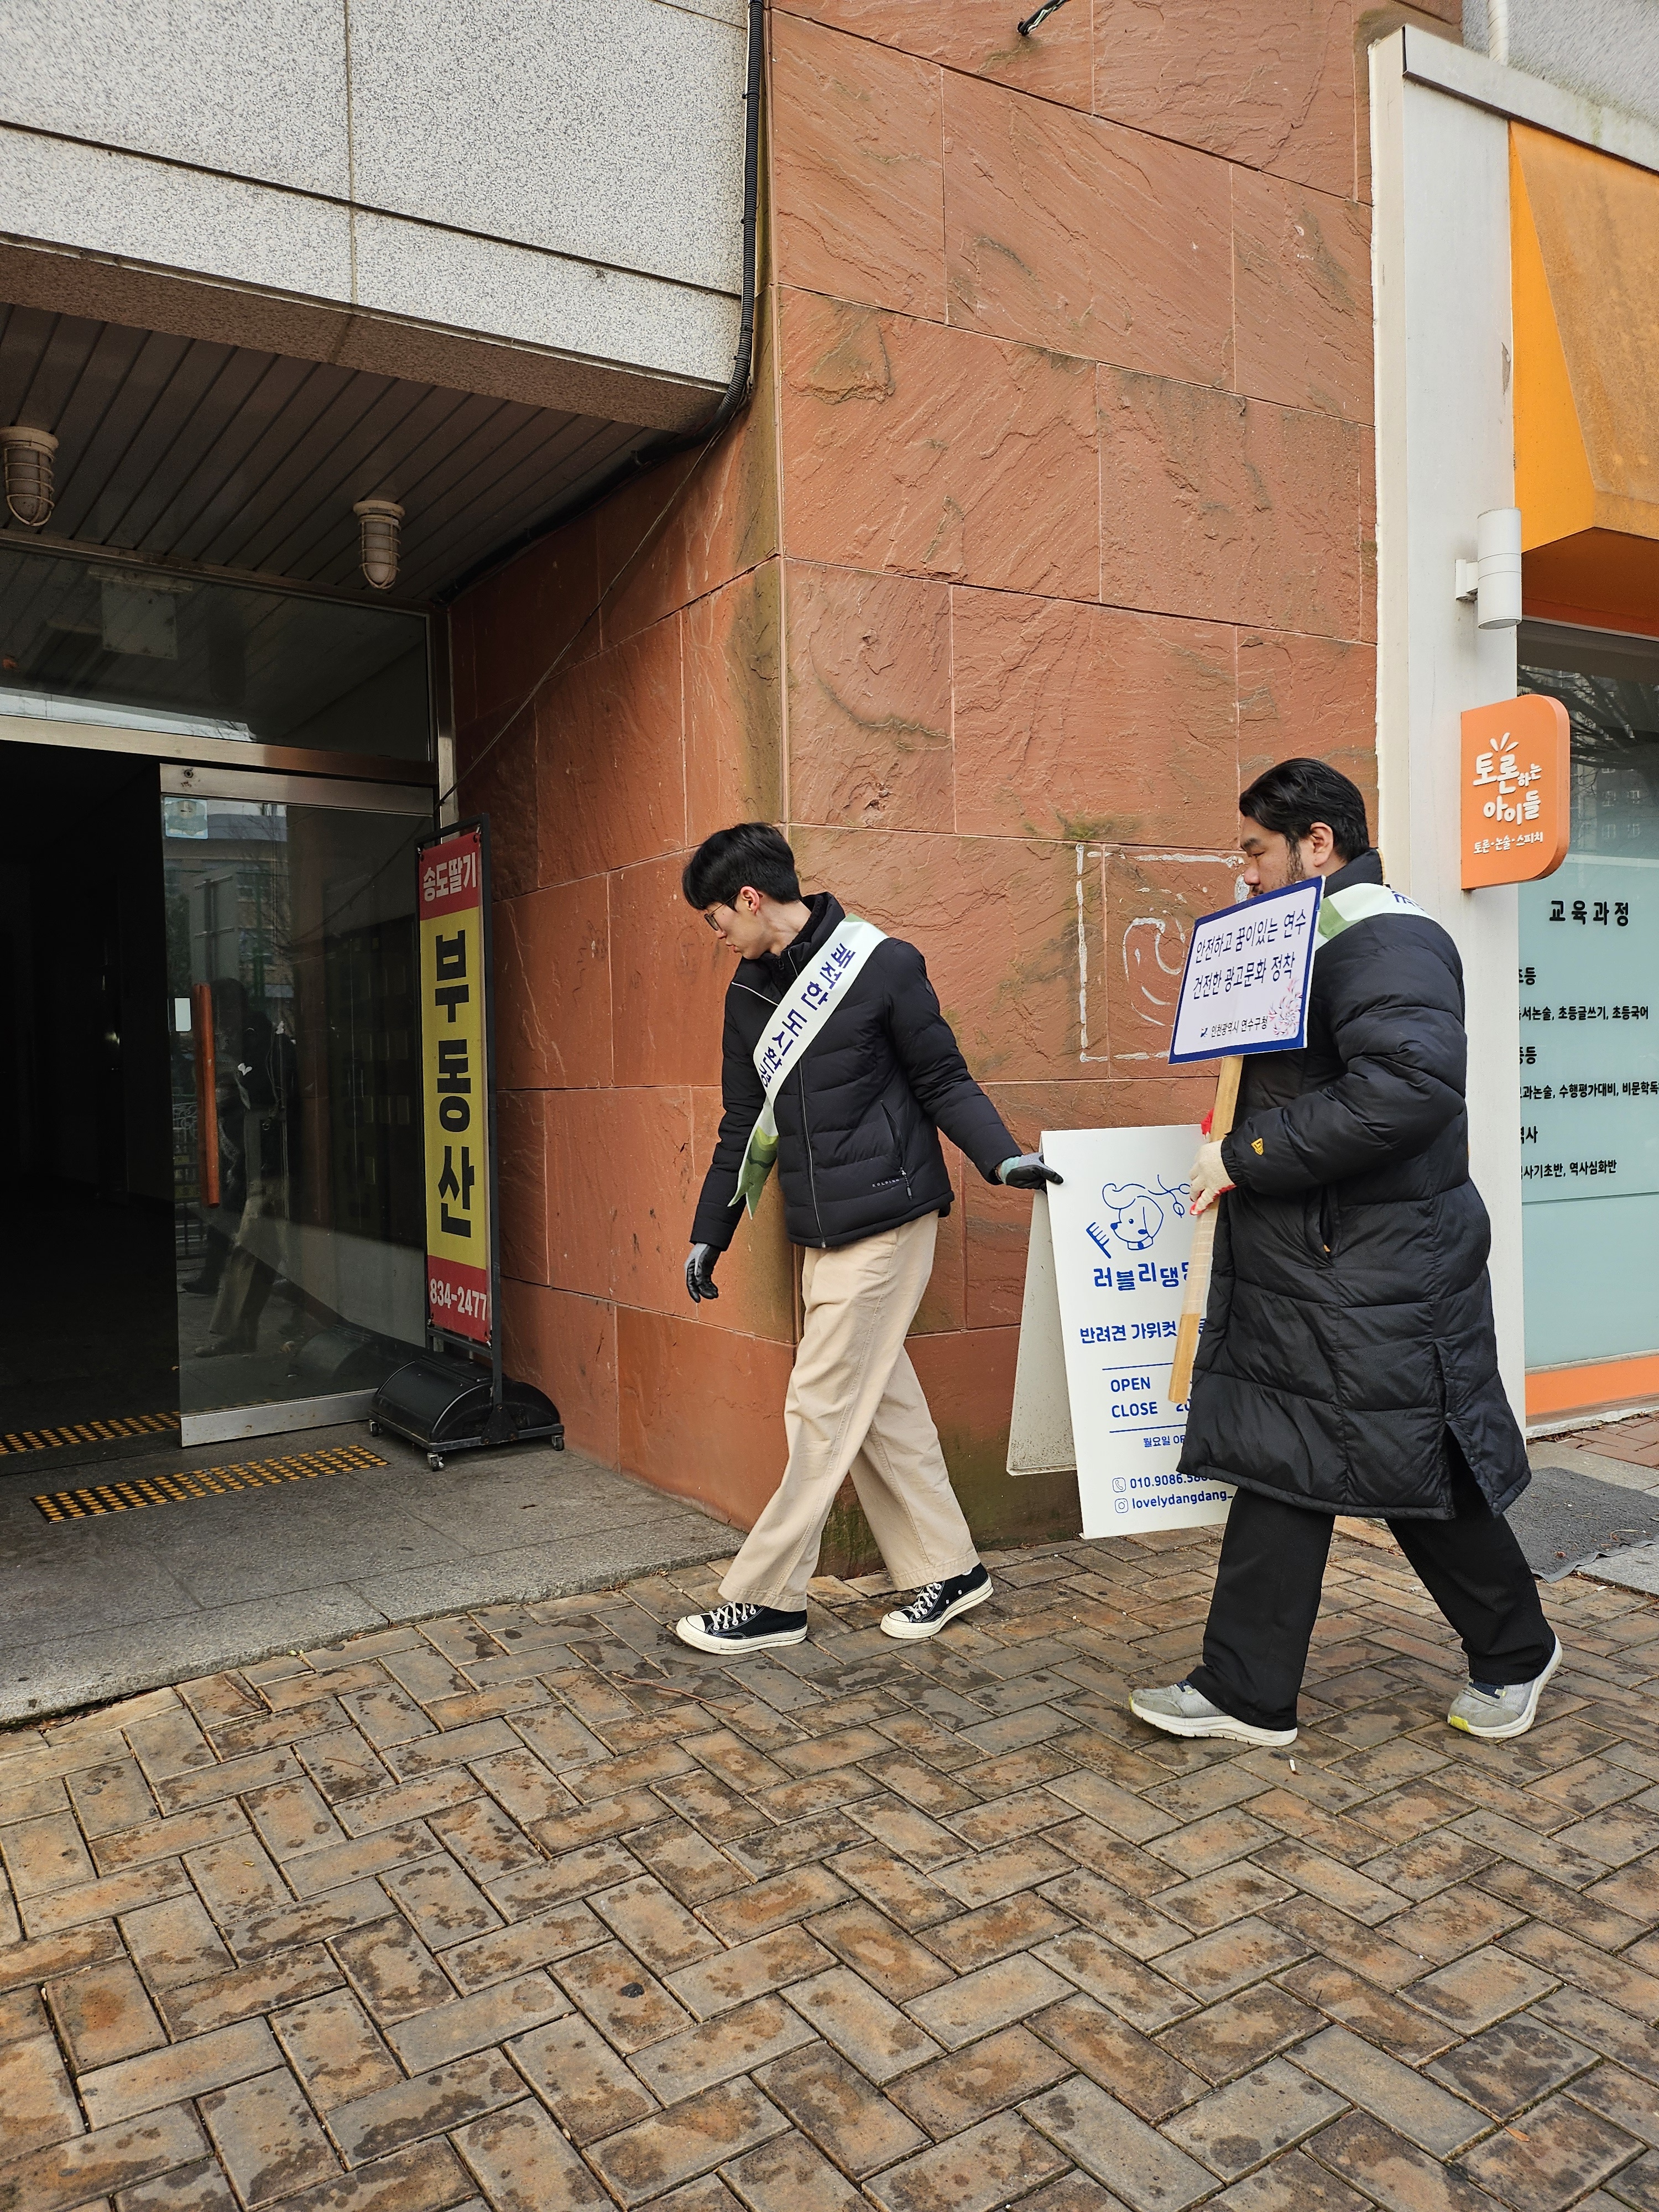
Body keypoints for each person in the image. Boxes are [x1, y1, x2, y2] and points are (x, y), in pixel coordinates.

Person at [1131, 759, 1559, 1748]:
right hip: (1323, 1261)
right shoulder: (1315, 943)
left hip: (1377, 1267)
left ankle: (1517, 1650)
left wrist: (1249, 1154)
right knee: (1290, 1455)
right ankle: (1248, 1690)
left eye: (1256, 849)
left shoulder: (1388, 940)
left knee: (1418, 1466)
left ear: (1316, 844)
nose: (1243, 870)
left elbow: (1406, 1090)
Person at [672, 822, 1060, 1654]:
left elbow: (942, 1077)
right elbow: (745, 1124)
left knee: (820, 1403)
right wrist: (714, 1231)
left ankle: (771, 1597)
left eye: (716, 919)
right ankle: (949, 1569)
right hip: (818, 1223)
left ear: (749, 899)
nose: (718, 937)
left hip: (887, 1214)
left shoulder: (881, 964)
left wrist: (999, 1160)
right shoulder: (747, 996)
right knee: (879, 1403)